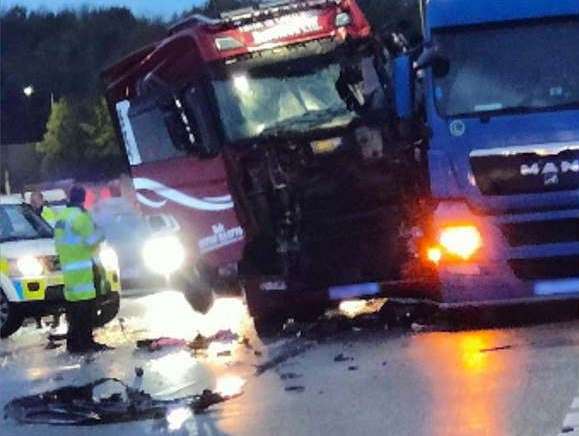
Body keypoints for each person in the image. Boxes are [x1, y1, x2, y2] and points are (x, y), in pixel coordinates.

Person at [54, 185, 111, 353]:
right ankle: (86, 343)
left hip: (68, 270)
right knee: (86, 310)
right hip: (83, 268)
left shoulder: (62, 216)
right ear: (83, 198)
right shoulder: (80, 217)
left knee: (73, 311)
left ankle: (73, 344)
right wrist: (102, 231)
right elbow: (90, 240)